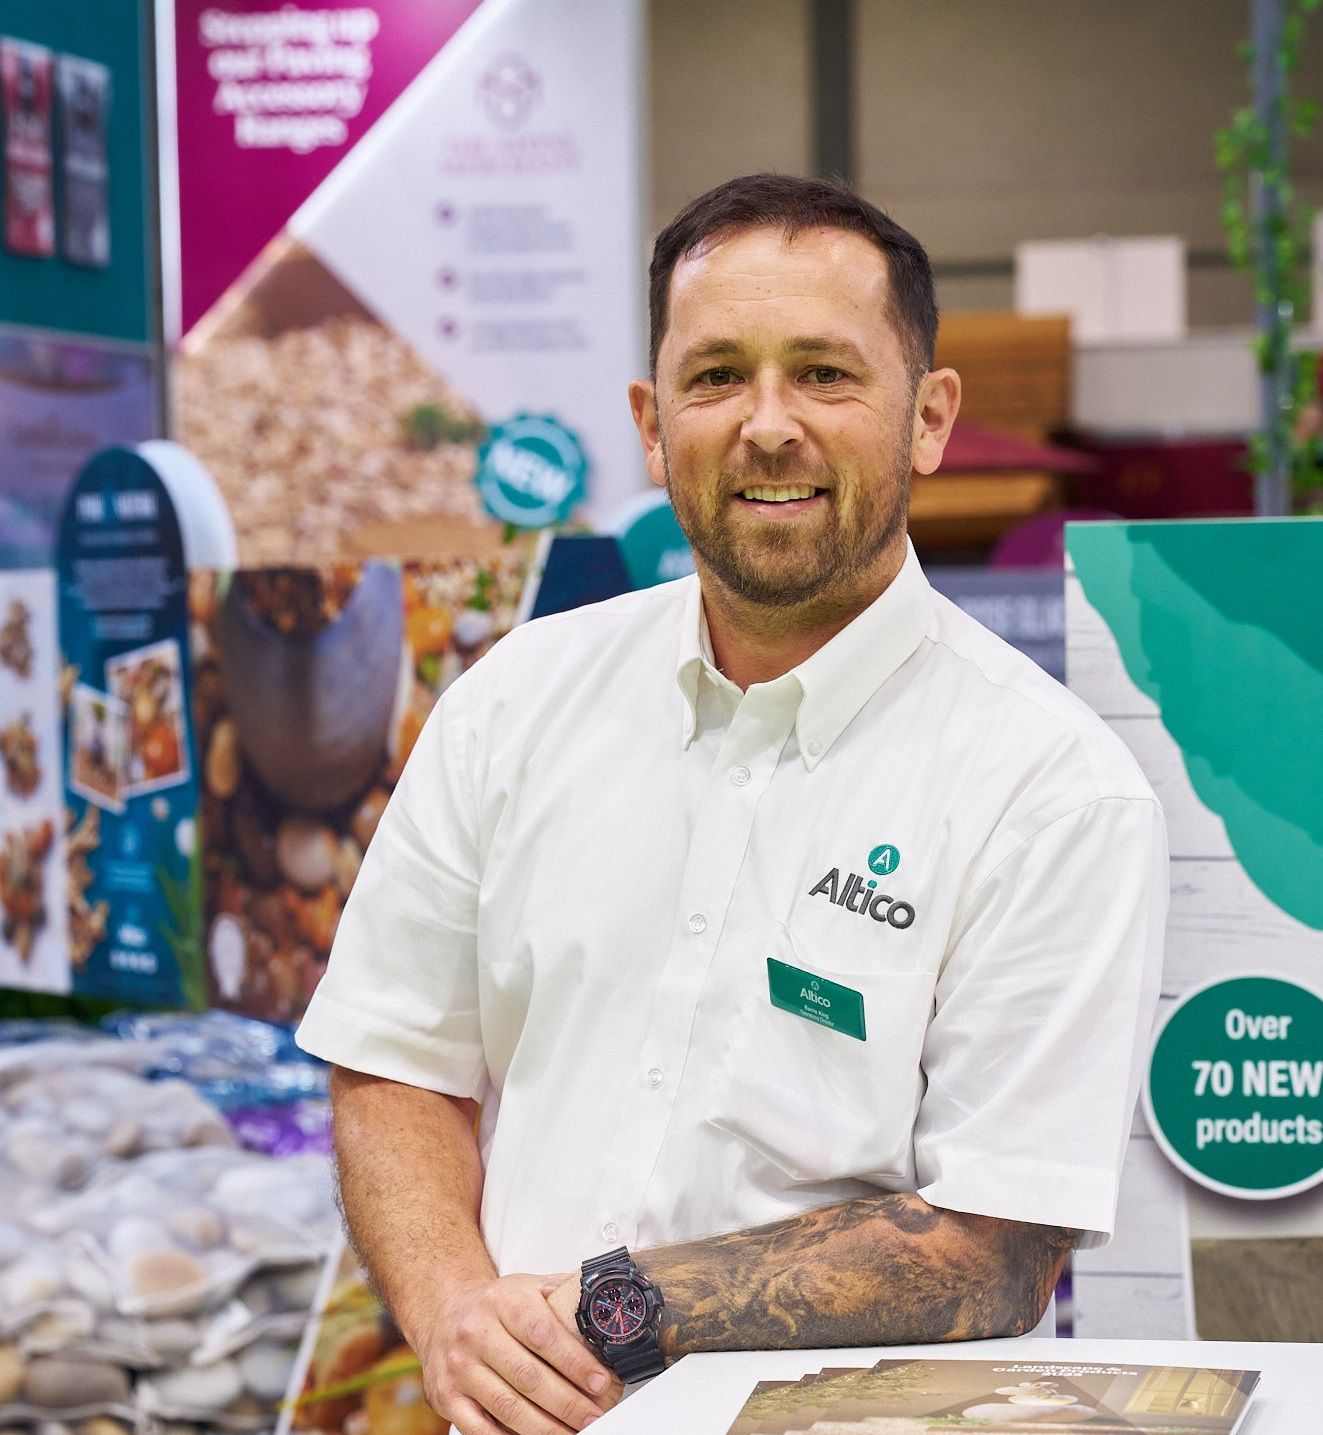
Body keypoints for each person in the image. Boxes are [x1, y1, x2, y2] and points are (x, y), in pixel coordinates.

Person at [296, 173, 1167, 1435]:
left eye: (824, 373)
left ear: (929, 418)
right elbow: (394, 1059)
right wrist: (452, 1314)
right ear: (653, 424)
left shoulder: (1052, 791)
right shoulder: (515, 700)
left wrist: (603, 1313)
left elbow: (995, 1244)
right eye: (716, 377)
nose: (768, 425)